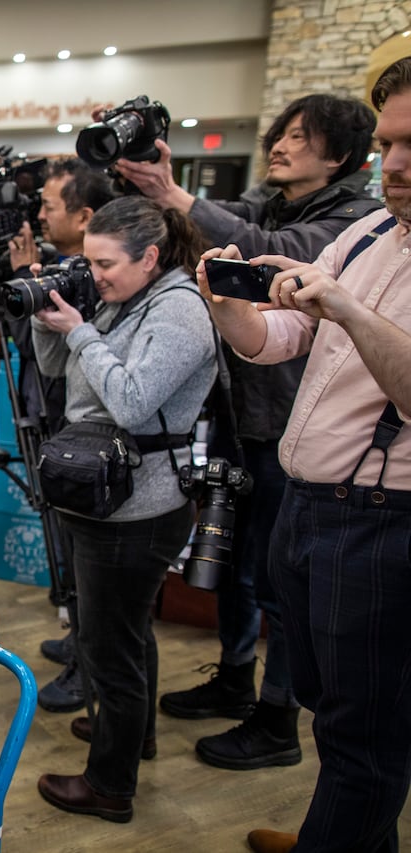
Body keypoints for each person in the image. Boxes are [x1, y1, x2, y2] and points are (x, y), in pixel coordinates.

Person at [115, 94, 381, 771]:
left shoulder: (354, 220)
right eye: (282, 133)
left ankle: (278, 718)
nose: (281, 145)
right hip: (241, 412)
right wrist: (158, 185)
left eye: (301, 136)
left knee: (278, 580)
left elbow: (273, 258)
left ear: (340, 156)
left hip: (292, 426)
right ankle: (235, 678)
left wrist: (175, 191)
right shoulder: (268, 202)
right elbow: (221, 241)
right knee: (231, 558)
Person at [200, 58, 411, 853]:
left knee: (367, 731)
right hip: (311, 503)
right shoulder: (367, 234)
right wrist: (229, 307)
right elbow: (281, 338)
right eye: (389, 142)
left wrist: (347, 308)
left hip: (385, 523)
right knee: (334, 707)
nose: (393, 165)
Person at [32, 195, 217, 823]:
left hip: (136, 508)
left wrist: (81, 331)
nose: (95, 275)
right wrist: (47, 317)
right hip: (108, 495)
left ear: (151, 256)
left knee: (109, 646)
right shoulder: (125, 298)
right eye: (89, 261)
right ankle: (132, 736)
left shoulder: (180, 311)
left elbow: (134, 402)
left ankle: (110, 787)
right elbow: (59, 371)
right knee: (127, 632)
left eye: (106, 263)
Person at [8, 157, 117, 714]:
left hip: (88, 431)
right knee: (67, 539)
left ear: (85, 215)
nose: (40, 215)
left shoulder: (110, 283)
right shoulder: (66, 269)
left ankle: (88, 665)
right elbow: (46, 362)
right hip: (57, 414)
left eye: (50, 206)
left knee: (89, 555)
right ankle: (78, 638)